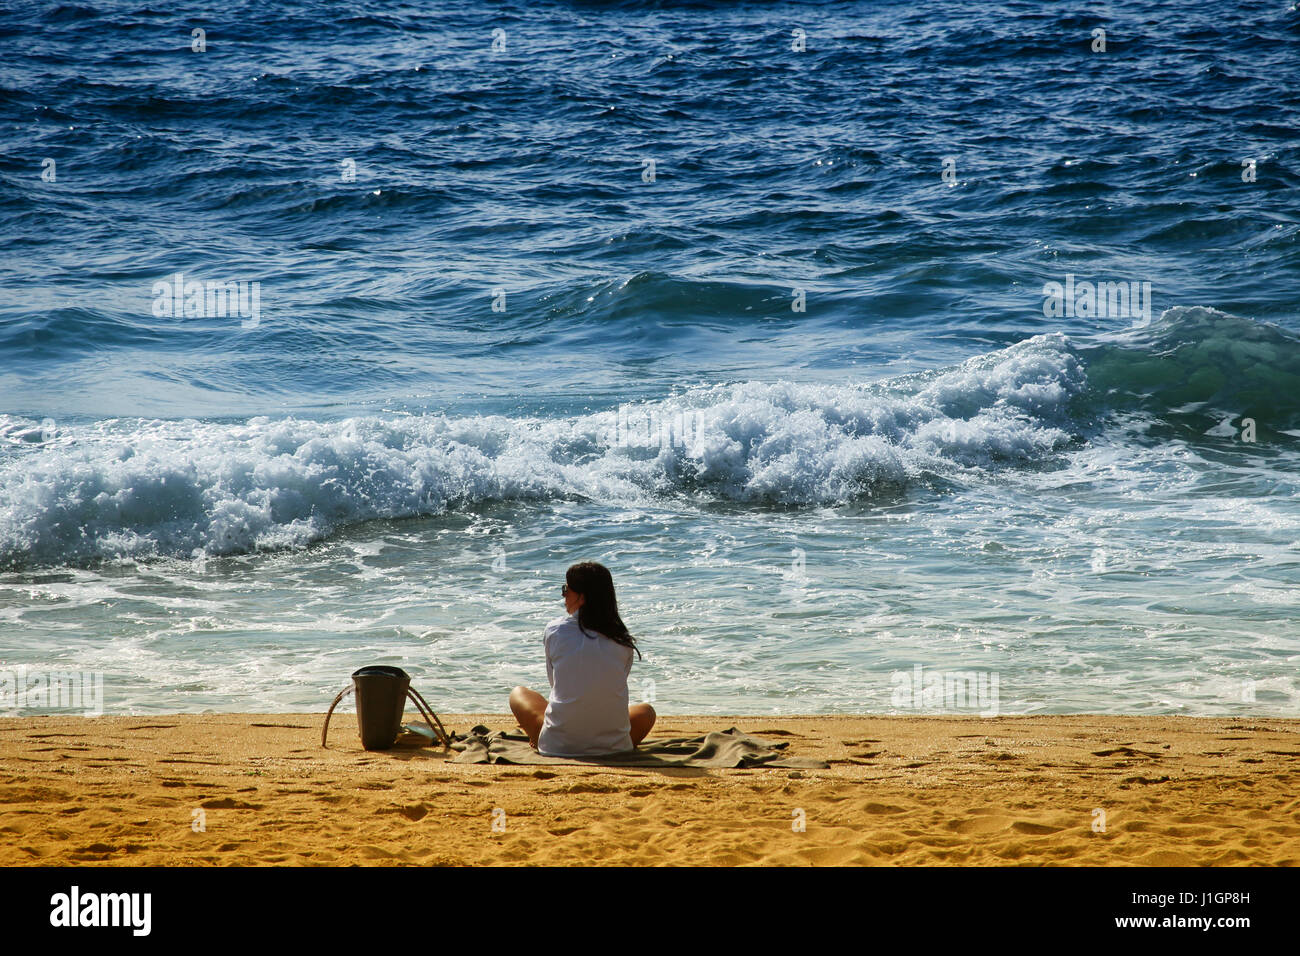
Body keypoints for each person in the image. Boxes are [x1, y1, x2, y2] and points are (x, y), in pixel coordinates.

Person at [508, 561, 656, 756]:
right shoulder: (621, 638)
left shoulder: (555, 630)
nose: (564, 596)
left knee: (518, 693)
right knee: (646, 711)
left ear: (582, 597)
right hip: (616, 747)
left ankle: (542, 739)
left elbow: (556, 686)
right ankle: (607, 741)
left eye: (566, 590)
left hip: (557, 745)